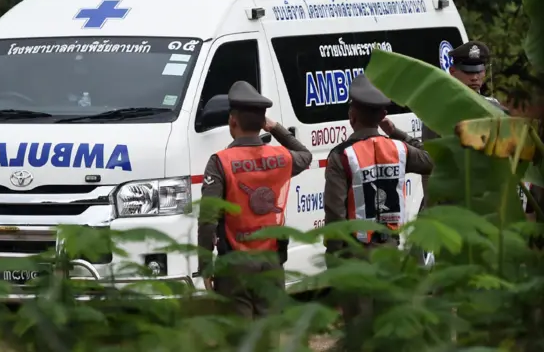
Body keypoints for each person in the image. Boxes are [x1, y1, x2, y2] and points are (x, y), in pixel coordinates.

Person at [323, 74, 433, 349]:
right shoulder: (399, 149)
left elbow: (335, 214)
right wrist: (395, 131)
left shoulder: (341, 155)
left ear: (352, 114)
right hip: (389, 252)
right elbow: (430, 160)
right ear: (383, 114)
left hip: (354, 254)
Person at [197, 80, 312, 320]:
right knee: (269, 335)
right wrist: (276, 128)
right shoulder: (281, 158)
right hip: (272, 264)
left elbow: (208, 218)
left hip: (235, 267)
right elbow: (306, 155)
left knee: (241, 338)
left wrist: (205, 264)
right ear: (261, 124)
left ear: (232, 120)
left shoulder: (220, 162)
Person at [422, 40, 509, 206]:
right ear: (453, 71)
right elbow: (431, 164)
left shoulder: (495, 109)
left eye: (478, 71)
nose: (474, 77)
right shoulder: (437, 111)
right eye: (468, 72)